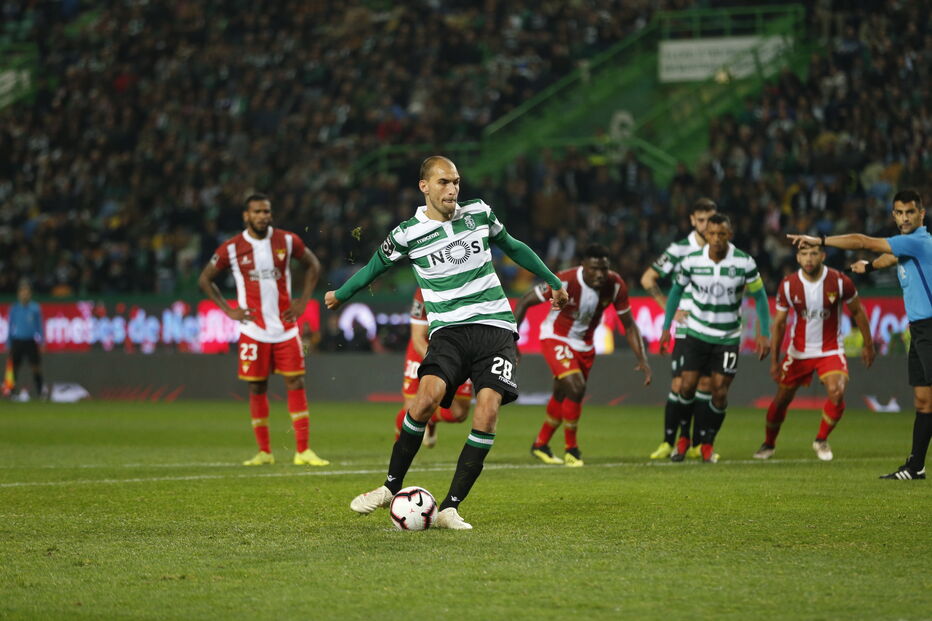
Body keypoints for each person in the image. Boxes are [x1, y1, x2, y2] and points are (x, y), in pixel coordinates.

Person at [326, 155, 568, 530]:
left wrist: (553, 280)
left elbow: (515, 247)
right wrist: (340, 294)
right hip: (449, 331)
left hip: (495, 327)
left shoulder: (480, 213)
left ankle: (450, 507)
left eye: (456, 181)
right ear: (424, 186)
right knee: (425, 400)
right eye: (443, 182)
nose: (453, 189)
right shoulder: (407, 234)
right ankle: (391, 488)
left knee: (487, 411)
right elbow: (375, 267)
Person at [789, 189, 930, 480]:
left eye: (910, 212)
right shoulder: (906, 248)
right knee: (923, 400)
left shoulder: (916, 241)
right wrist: (868, 266)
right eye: (899, 213)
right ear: (893, 215)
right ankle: (916, 466)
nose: (904, 218)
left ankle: (916, 465)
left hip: (930, 328)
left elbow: (863, 241)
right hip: (918, 330)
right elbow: (888, 260)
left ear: (922, 214)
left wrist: (821, 240)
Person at [198, 193, 329, 467]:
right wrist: (229, 310)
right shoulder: (231, 248)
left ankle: (303, 451)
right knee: (257, 387)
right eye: (257, 212)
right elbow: (205, 279)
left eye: (266, 211)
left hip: (285, 329)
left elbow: (313, 265)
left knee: (296, 382)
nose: (262, 216)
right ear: (246, 215)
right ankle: (264, 452)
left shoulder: (287, 240)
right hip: (253, 331)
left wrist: (303, 301)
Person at [514, 243, 651, 467]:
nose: (599, 275)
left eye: (603, 269)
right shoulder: (565, 281)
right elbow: (525, 300)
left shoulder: (615, 285)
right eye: (594, 269)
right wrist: (513, 339)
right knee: (576, 387)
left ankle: (541, 444)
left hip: (585, 345)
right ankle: (572, 449)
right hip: (555, 336)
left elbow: (629, 325)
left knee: (562, 394)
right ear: (583, 266)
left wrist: (642, 359)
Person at [659, 213, 771, 462]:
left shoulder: (744, 262)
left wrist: (765, 333)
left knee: (719, 393)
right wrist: (667, 328)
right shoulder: (691, 261)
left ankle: (708, 443)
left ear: (729, 235)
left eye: (722, 234)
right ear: (705, 235)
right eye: (712, 234)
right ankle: (684, 439)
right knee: (686, 387)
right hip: (697, 333)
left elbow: (760, 298)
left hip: (728, 337)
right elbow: (676, 292)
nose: (717, 239)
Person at [754, 244, 876, 461]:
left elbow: (857, 311)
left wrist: (868, 344)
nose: (809, 258)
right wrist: (774, 361)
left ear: (822, 255)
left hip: (830, 349)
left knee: (837, 393)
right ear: (798, 258)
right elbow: (780, 324)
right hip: (799, 352)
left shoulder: (839, 281)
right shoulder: (789, 285)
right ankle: (769, 443)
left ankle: (821, 439)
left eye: (813, 253)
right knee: (781, 401)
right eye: (804, 254)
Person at [641, 198, 717, 461]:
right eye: (702, 219)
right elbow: (648, 277)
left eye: (711, 219)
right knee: (680, 384)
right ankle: (669, 441)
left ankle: (697, 443)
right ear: (692, 221)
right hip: (686, 329)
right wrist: (669, 309)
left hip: (713, 328)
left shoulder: (722, 250)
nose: (707, 225)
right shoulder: (680, 249)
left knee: (705, 385)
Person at [395, 287, 473, 447]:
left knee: (458, 413)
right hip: (424, 347)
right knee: (412, 407)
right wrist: (441, 365)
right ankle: (399, 449)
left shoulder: (471, 285)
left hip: (457, 349)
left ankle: (430, 419)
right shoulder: (423, 290)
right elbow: (418, 338)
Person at [5, 280, 44, 400]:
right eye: (22, 292)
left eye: (26, 292)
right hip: (18, 341)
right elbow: (10, 326)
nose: (24, 294)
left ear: (30, 294)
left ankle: (40, 392)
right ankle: (10, 392)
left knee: (35, 367)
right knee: (14, 368)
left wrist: (42, 341)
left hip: (30, 341)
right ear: (19, 294)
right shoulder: (14, 308)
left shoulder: (35, 308)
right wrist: (9, 342)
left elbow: (39, 326)